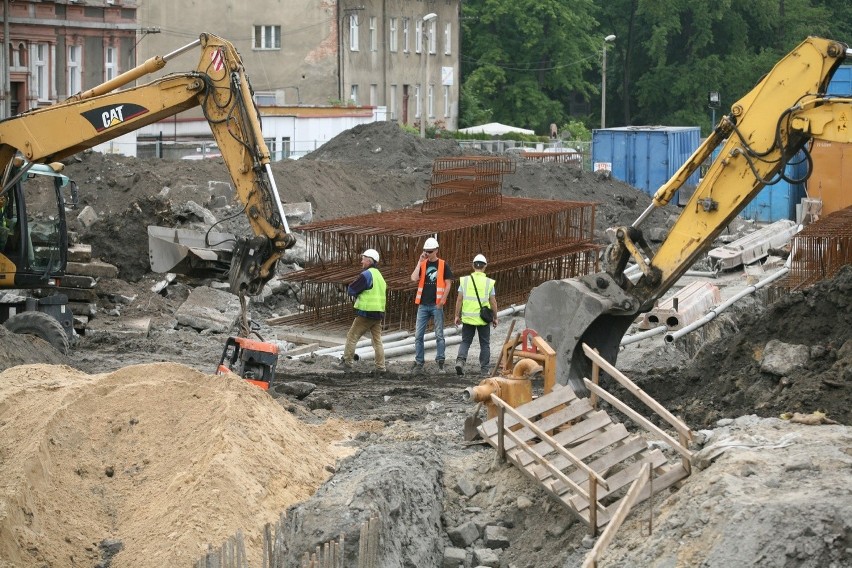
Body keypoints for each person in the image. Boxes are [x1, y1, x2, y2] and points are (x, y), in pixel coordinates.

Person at [410, 236, 454, 372]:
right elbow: (414, 278)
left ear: (436, 250)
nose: (427, 253)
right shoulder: (423, 264)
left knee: (439, 335)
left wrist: (441, 302)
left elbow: (448, 284)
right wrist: (419, 262)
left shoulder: (443, 265)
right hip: (423, 305)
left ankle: (440, 361)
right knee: (418, 336)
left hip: (436, 305)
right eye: (425, 251)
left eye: (429, 251)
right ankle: (419, 362)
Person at [341, 248, 387, 374]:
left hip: (366, 313)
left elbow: (352, 290)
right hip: (378, 313)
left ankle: (347, 363)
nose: (361, 261)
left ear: (369, 260)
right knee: (377, 341)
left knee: (352, 336)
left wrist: (350, 286)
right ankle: (381, 367)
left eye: (363, 259)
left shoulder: (367, 275)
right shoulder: (380, 276)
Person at [453, 254, 498, 377]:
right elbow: (493, 302)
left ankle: (460, 362)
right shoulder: (488, 282)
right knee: (484, 344)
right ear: (485, 267)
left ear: (473, 266)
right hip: (483, 319)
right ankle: (484, 370)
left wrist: (457, 315)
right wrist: (495, 317)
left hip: (468, 318)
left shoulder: (465, 280)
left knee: (465, 341)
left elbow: (459, 299)